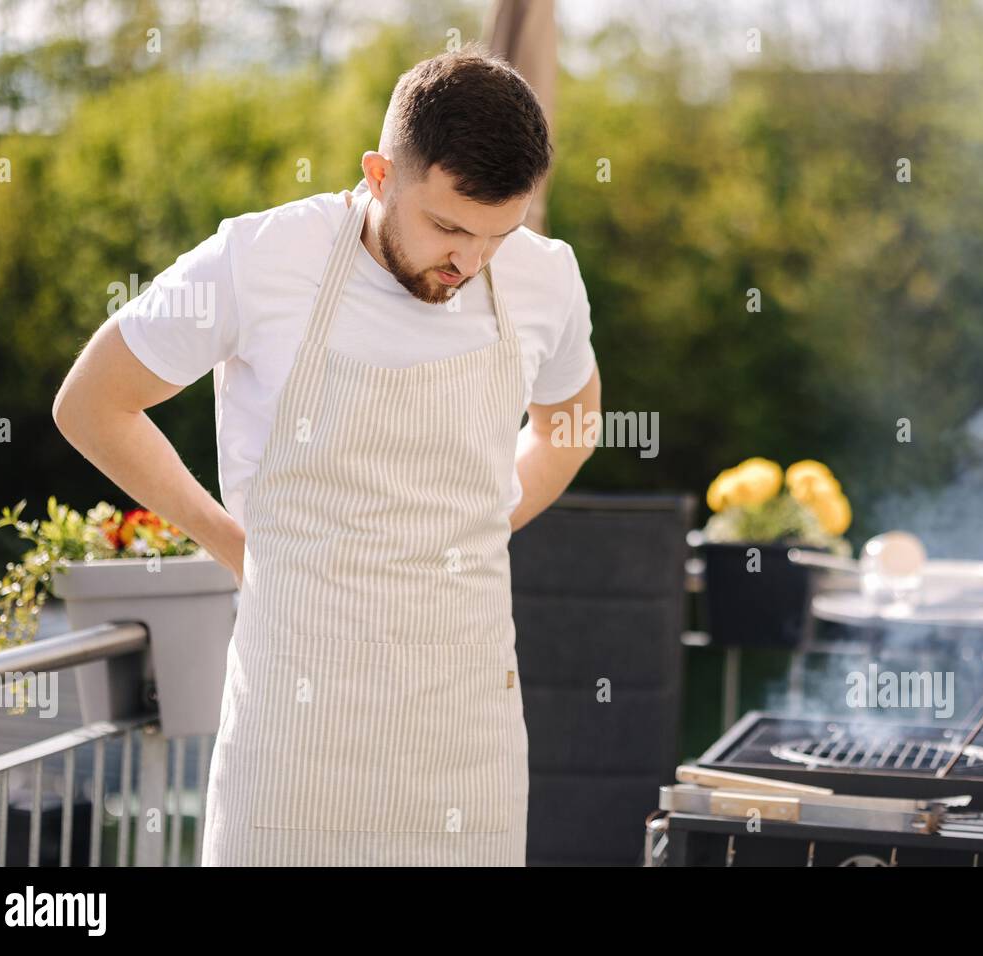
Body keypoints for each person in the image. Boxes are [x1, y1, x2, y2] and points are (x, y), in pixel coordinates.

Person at [52, 44, 601, 865]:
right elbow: (93, 403)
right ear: (379, 175)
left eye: (498, 233)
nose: (469, 261)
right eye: (448, 226)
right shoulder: (258, 260)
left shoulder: (545, 276)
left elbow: (571, 423)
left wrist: (489, 518)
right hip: (296, 735)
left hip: (466, 739)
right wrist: (230, 542)